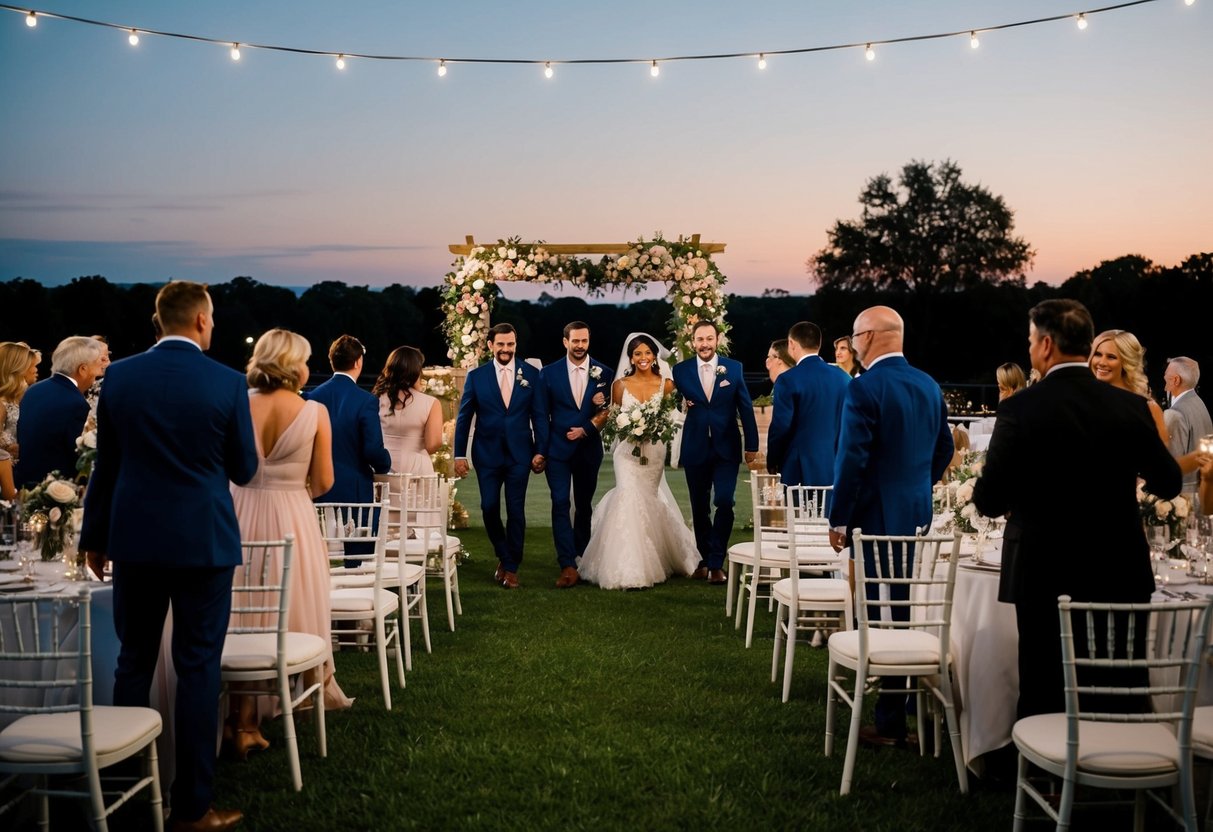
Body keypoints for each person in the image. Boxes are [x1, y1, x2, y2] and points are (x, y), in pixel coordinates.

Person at [80, 281, 257, 832]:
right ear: (202, 321)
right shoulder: (227, 381)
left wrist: (94, 534)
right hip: (203, 542)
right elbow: (245, 467)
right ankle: (192, 807)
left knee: (133, 659)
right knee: (198, 667)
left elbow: (105, 465)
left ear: (159, 321)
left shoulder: (122, 376)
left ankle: (126, 787)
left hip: (135, 539)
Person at [972, 299, 1181, 720]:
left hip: (1042, 568)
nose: (1030, 348)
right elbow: (1168, 482)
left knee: (1045, 679)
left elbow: (989, 500)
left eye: (1031, 340)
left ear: (1046, 345)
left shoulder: (1019, 408)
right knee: (1116, 675)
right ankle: (1121, 766)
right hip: (1118, 565)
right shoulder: (1132, 407)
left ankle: (1049, 780)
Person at [827, 306, 953, 746]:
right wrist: (918, 486)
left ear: (869, 337)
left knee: (878, 616)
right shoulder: (928, 384)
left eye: (855, 336)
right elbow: (944, 448)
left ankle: (888, 721)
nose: (854, 344)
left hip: (874, 520)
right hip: (916, 511)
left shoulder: (863, 389)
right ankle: (900, 707)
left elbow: (852, 460)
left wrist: (838, 517)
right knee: (905, 608)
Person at [228, 328, 351, 757]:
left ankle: (237, 718)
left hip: (237, 513)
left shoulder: (237, 404)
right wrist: (289, 492)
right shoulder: (313, 411)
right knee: (283, 610)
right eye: (305, 359)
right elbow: (324, 481)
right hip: (291, 518)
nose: (306, 367)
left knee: (238, 611)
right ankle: (269, 708)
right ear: (291, 364)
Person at [579, 333, 699, 589]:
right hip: (627, 454)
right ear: (631, 358)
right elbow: (611, 417)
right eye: (637, 354)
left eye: (647, 353)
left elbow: (672, 415)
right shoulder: (620, 385)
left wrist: (657, 424)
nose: (643, 358)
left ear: (654, 356)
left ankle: (660, 555)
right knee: (628, 497)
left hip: (654, 453)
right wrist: (627, 425)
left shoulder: (666, 384)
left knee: (648, 500)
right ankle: (632, 569)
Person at [453, 323, 549, 589]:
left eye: (511, 344)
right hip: (487, 454)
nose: (506, 349)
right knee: (488, 507)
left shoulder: (532, 374)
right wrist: (459, 454)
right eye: (501, 345)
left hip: (520, 454)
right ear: (490, 346)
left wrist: (541, 450)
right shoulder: (477, 376)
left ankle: (511, 567)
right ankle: (504, 554)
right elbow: (464, 418)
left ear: (515, 345)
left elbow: (540, 416)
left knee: (516, 511)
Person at [671, 320, 759, 585]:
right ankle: (704, 557)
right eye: (700, 339)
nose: (705, 344)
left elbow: (745, 407)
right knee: (699, 507)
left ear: (717, 340)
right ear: (692, 342)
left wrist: (751, 446)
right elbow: (675, 399)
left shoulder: (734, 368)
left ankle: (717, 562)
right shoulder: (681, 371)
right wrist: (681, 402)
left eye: (709, 339)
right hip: (695, 446)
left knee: (724, 501)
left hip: (726, 448)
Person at [539, 321, 613, 588]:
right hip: (557, 451)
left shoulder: (604, 372)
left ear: (589, 341)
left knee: (583, 506)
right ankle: (567, 564)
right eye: (575, 341)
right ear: (565, 342)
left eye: (584, 341)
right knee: (560, 502)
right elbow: (541, 415)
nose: (580, 346)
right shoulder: (548, 373)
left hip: (588, 450)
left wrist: (588, 426)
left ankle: (582, 557)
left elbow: (608, 412)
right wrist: (541, 451)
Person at [305, 335, 393, 504]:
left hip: (317, 487)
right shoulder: (366, 400)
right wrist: (384, 465)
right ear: (358, 362)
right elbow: (372, 450)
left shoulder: (312, 396)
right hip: (354, 488)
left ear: (332, 361)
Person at [766, 321, 848, 488]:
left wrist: (772, 460)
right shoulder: (843, 378)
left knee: (797, 514)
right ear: (818, 344)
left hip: (797, 468)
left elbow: (781, 426)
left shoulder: (788, 380)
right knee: (829, 514)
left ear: (791, 344)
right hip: (835, 466)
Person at [15, 336, 104, 486]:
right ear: (82, 369)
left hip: (23, 481)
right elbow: (79, 458)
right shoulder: (76, 403)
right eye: (97, 365)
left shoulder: (33, 390)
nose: (99, 372)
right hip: (53, 490)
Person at [1089, 329, 1169, 446]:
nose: (1101, 362)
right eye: (1098, 354)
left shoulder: (1148, 409)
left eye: (1111, 357)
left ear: (1126, 362)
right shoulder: (1085, 400)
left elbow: (1163, 461)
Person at [373, 345, 441, 474]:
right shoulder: (430, 403)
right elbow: (433, 444)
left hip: (383, 466)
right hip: (417, 468)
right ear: (416, 371)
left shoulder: (377, 398)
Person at [1162, 356, 1212, 500]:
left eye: (1166, 376)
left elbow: (1172, 466)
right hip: (1204, 493)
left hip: (1183, 498)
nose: (1164, 380)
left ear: (1176, 380)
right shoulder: (1200, 404)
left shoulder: (1174, 413)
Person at [0, 341, 40, 457]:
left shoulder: (26, 397)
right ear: (18, 369)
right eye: (33, 365)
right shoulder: (1, 403)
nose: (36, 370)